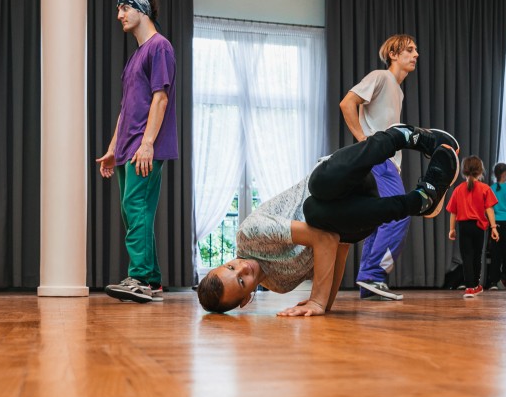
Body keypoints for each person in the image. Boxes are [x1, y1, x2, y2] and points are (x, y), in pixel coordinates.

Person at [196, 125, 459, 316]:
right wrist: (323, 303)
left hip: (340, 179)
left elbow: (322, 238)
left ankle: (403, 140)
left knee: (315, 199)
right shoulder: (279, 285)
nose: (243, 269)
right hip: (355, 216)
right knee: (327, 222)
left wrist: (318, 301)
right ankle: (424, 198)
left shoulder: (249, 235)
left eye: (231, 267)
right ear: (245, 300)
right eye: (241, 281)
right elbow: (337, 246)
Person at [95, 0, 177, 304]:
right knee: (134, 213)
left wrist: (147, 144)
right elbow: (126, 108)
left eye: (124, 8)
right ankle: (152, 279)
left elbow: (161, 98)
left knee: (136, 207)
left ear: (141, 9)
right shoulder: (136, 57)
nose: (119, 15)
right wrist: (113, 148)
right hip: (128, 148)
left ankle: (140, 278)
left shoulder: (160, 47)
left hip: (144, 147)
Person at [338, 35, 418, 301]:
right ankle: (373, 274)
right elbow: (347, 103)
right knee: (398, 214)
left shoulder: (398, 89)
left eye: (416, 50)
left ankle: (367, 284)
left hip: (387, 164)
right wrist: (364, 141)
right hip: (378, 160)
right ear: (393, 54)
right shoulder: (381, 77)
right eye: (409, 50)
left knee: (378, 220)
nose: (415, 54)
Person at [447, 156, 499, 298]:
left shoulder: (458, 189)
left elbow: (453, 212)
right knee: (477, 256)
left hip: (464, 227)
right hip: (479, 227)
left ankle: (470, 287)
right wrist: (493, 227)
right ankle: (475, 285)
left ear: (463, 171)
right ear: (480, 171)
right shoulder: (485, 188)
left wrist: (452, 229)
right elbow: (489, 210)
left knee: (467, 257)